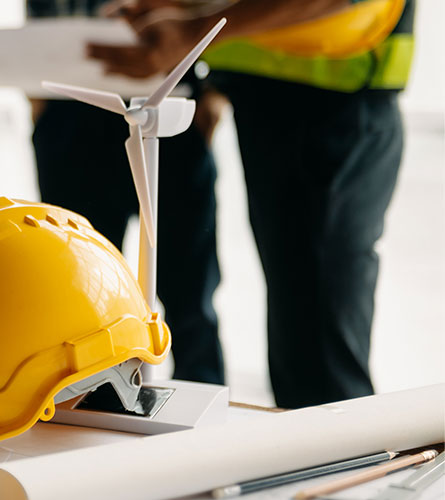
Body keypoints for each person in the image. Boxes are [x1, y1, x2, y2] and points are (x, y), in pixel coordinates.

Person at [89, 0, 415, 407]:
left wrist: (196, 30)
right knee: (297, 338)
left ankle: (341, 464)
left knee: (322, 358)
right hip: (272, 102)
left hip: (336, 106)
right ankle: (303, 461)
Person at [27, 0, 225, 385]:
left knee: (189, 295)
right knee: (81, 299)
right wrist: (37, 97)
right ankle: (88, 416)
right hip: (71, 110)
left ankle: (206, 428)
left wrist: (215, 91)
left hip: (171, 105)